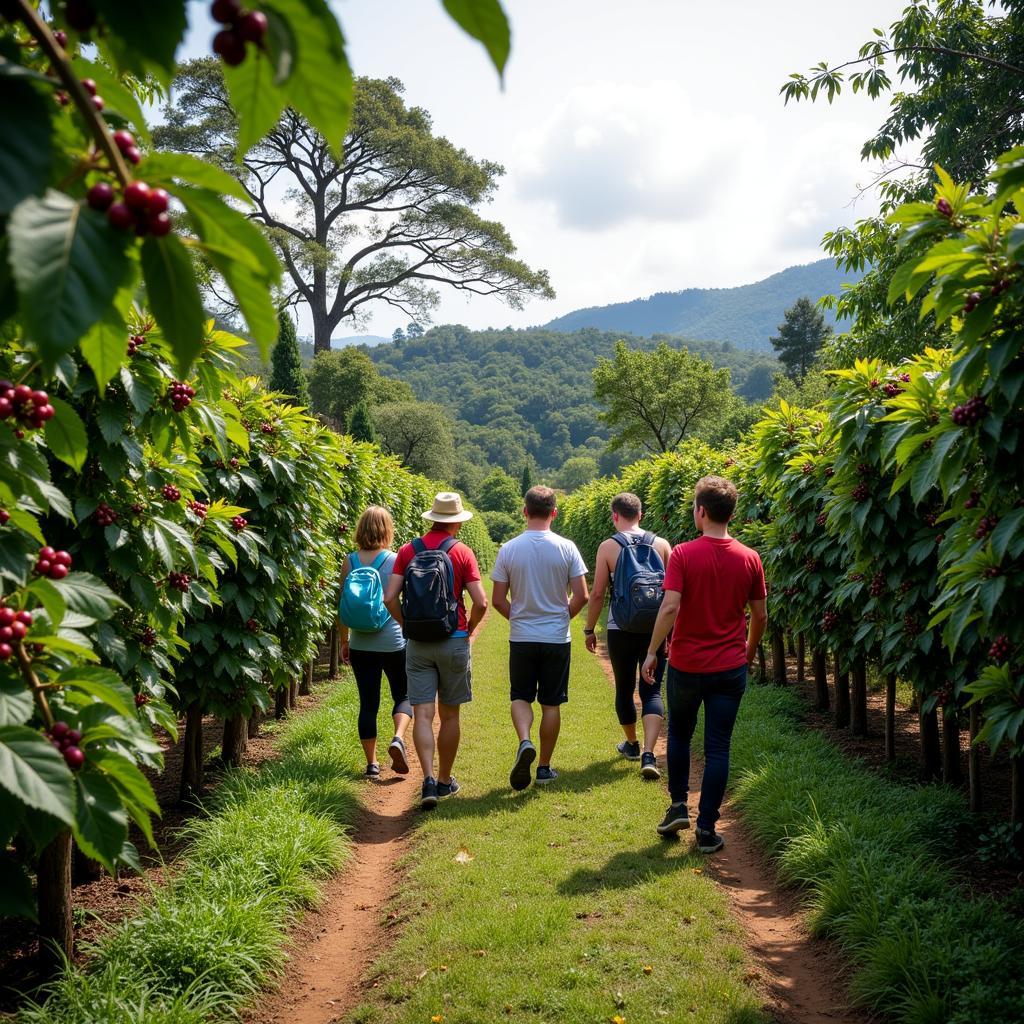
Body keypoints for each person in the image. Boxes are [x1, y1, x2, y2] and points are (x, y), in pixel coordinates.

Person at [642, 476, 767, 853]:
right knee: (718, 746)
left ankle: (679, 804)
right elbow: (760, 615)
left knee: (679, 733)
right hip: (728, 667)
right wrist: (746, 653)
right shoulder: (750, 558)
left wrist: (652, 651)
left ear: (701, 511)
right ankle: (708, 828)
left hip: (686, 664)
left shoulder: (683, 553)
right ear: (731, 512)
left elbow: (670, 605)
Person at [384, 492, 488, 810]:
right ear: (456, 521)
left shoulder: (407, 550)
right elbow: (481, 602)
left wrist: (406, 625)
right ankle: (444, 780)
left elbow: (389, 598)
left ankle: (426, 779)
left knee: (424, 715)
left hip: (417, 644)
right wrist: (468, 629)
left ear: (432, 519)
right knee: (450, 714)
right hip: (453, 638)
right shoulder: (462, 552)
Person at [491, 486, 588, 790]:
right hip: (556, 638)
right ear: (554, 513)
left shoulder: (509, 548)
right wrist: (561, 618)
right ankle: (544, 767)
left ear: (525, 511)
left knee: (520, 695)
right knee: (551, 703)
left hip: (522, 636)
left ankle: (524, 741)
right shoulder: (567, 547)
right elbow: (582, 595)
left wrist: (519, 618)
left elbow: (497, 599)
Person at [583, 492, 672, 780]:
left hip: (619, 628)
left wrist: (589, 628)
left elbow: (597, 594)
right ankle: (649, 752)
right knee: (653, 689)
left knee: (624, 687)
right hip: (655, 630)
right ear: (641, 515)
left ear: (615, 516)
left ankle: (632, 744)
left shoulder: (608, 547)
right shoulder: (662, 545)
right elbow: (672, 596)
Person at [338, 506, 413, 778]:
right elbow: (401, 599)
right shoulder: (395, 560)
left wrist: (344, 641)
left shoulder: (350, 561)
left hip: (361, 643)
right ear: (387, 529)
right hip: (393, 641)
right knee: (403, 695)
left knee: (368, 703)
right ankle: (398, 737)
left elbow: (342, 606)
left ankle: (371, 764)